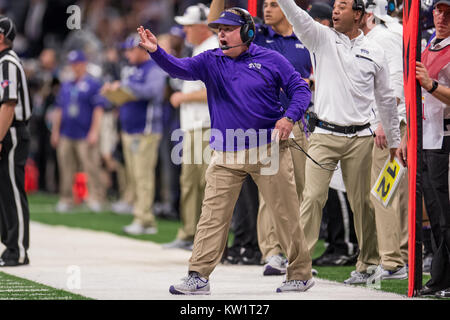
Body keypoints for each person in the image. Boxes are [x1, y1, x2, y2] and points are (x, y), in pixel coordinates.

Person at [137, 6, 314, 294]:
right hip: (225, 151)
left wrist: (289, 117)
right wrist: (157, 52)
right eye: (219, 29)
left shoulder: (272, 59)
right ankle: (198, 275)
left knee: (285, 214)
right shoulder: (211, 60)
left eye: (228, 29)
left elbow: (301, 89)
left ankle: (300, 273)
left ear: (247, 32)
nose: (221, 34)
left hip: (267, 148)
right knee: (212, 216)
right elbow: (179, 68)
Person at [276, 0, 401, 284]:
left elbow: (385, 99)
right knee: (312, 197)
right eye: (334, 6)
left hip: (361, 137)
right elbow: (296, 16)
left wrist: (393, 139)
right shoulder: (320, 38)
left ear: (358, 14)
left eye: (342, 6)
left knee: (364, 204)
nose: (334, 11)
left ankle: (367, 264)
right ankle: (298, 270)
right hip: (323, 135)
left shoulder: (376, 50)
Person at [208, 0, 314, 272]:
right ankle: (272, 253)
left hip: (294, 122)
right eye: (265, 4)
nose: (267, 9)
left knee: (295, 192)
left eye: (275, 4)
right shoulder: (257, 36)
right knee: (270, 195)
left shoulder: (307, 39)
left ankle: (297, 255)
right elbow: (217, 27)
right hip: (263, 127)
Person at [397, 0, 450, 298]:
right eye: (439, 10)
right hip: (424, 138)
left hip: (444, 139)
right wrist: (407, 136)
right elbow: (412, 97)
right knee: (433, 211)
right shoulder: (428, 44)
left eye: (448, 12)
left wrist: (430, 85)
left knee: (446, 213)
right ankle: (440, 275)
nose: (441, 16)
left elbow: (430, 89)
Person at [358, 0, 409, 282]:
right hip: (384, 125)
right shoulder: (382, 34)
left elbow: (397, 82)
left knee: (383, 193)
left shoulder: (385, 36)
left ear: (366, 13)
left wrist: (385, 125)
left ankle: (391, 261)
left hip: (388, 127)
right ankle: (397, 256)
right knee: (389, 194)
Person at [162, 4, 217, 250]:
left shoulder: (213, 48)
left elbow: (216, 90)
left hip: (205, 125)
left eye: (189, 25)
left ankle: (201, 237)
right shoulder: (199, 48)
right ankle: (188, 233)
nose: (184, 30)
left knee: (205, 184)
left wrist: (183, 98)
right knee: (190, 182)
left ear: (203, 26)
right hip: (193, 126)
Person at [102, 33, 167, 235]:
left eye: (131, 50)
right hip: (129, 129)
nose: (127, 54)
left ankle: (145, 220)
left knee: (143, 176)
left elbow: (154, 91)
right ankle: (139, 215)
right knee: (134, 176)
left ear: (141, 49)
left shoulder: (154, 67)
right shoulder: (130, 69)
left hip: (145, 131)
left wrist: (125, 87)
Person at [51, 50, 107, 213]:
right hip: (67, 133)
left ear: (83, 64)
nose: (74, 67)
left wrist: (94, 131)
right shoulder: (66, 85)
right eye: (72, 64)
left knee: (91, 167)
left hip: (85, 133)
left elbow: (98, 109)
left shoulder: (92, 84)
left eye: (76, 64)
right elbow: (59, 110)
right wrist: (55, 131)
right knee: (66, 167)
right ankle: (66, 198)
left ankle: (96, 197)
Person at [0, 16, 32, 266]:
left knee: (12, 189)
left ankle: (18, 250)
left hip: (11, 131)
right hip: (6, 132)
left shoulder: (7, 62)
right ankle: (10, 246)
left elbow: (8, 106)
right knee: (5, 190)